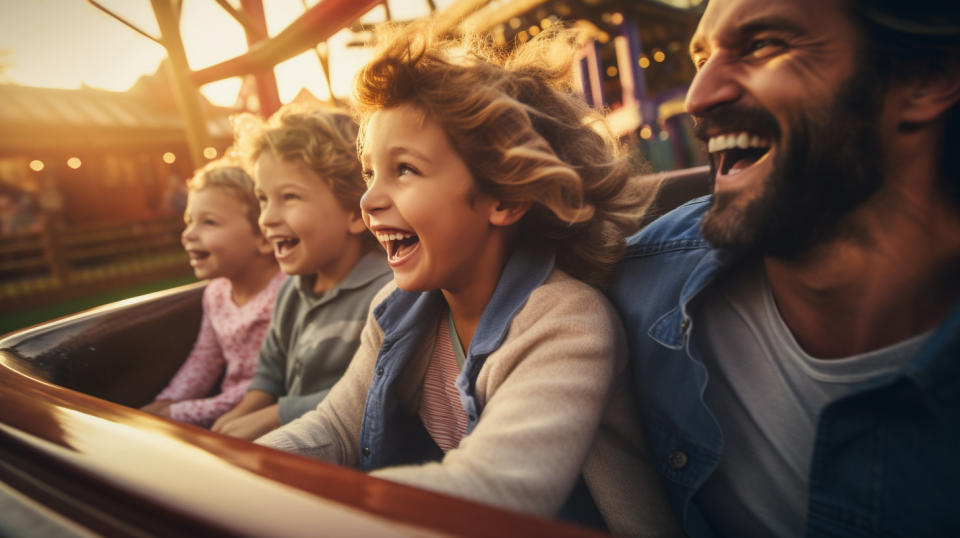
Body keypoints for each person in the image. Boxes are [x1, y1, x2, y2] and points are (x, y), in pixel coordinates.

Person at [256, 24, 679, 536]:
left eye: (405, 170)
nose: (368, 200)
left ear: (504, 199)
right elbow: (336, 428)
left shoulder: (565, 320)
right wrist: (230, 471)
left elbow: (493, 490)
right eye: (370, 172)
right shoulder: (396, 309)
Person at [607, 0, 960, 536]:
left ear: (926, 78)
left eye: (764, 45)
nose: (699, 96)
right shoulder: (628, 289)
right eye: (701, 59)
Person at [211, 105, 392, 441]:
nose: (266, 217)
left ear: (354, 213)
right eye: (263, 199)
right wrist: (235, 418)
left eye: (289, 197)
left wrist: (275, 416)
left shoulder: (386, 292)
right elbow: (269, 374)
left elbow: (374, 390)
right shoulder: (291, 290)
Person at [142, 162, 283, 427]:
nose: (188, 234)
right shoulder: (216, 293)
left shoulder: (284, 293)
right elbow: (204, 359)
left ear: (263, 237)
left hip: (263, 415)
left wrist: (181, 412)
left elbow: (271, 383)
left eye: (209, 222)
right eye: (189, 221)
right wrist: (167, 401)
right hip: (222, 413)